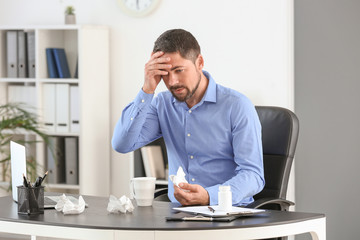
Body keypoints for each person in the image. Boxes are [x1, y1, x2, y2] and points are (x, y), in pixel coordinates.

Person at [112, 29, 264, 206]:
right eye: (165, 74)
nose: (173, 81)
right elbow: (122, 144)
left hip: (228, 213)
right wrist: (147, 89)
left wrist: (209, 196)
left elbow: (253, 175)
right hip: (178, 216)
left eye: (179, 70)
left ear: (199, 62)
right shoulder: (162, 104)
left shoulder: (237, 106)